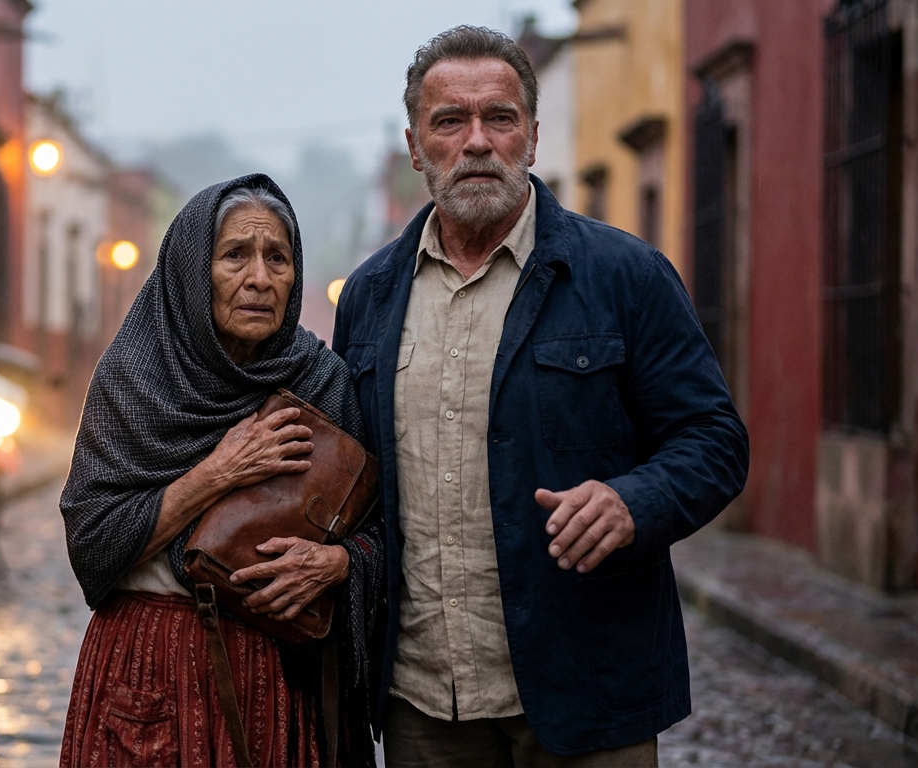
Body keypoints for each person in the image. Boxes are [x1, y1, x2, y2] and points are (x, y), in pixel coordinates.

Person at [332, 26, 749, 767]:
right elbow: (356, 483)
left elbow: (714, 441)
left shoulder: (626, 276)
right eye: (449, 121)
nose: (477, 142)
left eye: (499, 117)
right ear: (414, 143)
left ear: (531, 134)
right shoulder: (369, 295)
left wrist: (634, 501)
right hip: (424, 702)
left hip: (588, 691)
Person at [58, 174, 383, 767]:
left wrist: (338, 563)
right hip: (146, 664)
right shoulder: (135, 378)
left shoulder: (321, 383)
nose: (259, 278)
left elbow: (383, 529)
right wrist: (220, 471)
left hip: (278, 677)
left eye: (277, 258)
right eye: (235, 255)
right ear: (191, 270)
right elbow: (93, 544)